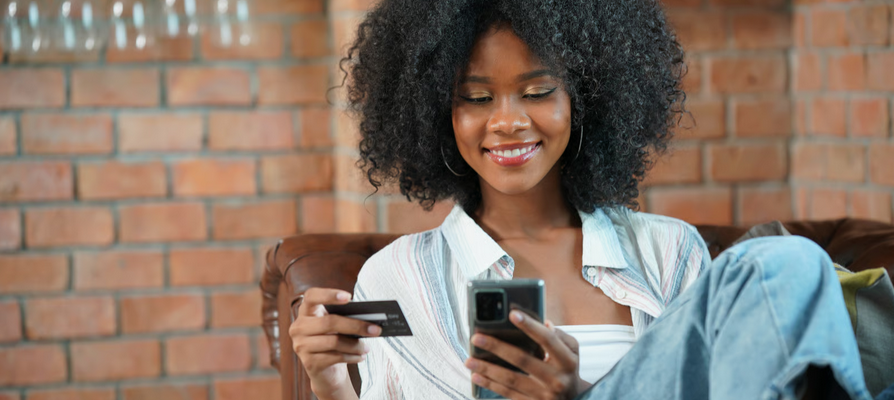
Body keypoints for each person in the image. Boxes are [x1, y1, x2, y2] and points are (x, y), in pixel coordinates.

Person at [287, 0, 872, 399]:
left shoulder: (667, 251)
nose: (508, 122)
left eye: (538, 91)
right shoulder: (397, 276)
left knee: (786, 263)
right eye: (476, 98)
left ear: (586, 99)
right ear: (439, 115)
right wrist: (333, 385)